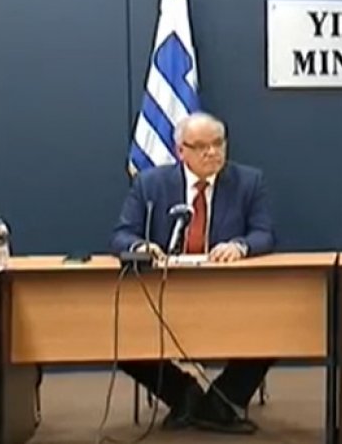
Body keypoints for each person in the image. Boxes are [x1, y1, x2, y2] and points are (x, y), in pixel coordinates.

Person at [110, 112, 275, 434]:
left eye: (218, 143)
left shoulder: (248, 181)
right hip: (163, 294)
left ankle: (222, 403)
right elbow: (121, 235)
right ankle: (183, 394)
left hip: (230, 294)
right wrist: (141, 246)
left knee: (276, 330)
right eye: (200, 146)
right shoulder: (150, 184)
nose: (212, 152)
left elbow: (264, 233)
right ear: (180, 150)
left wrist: (240, 246)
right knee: (118, 337)